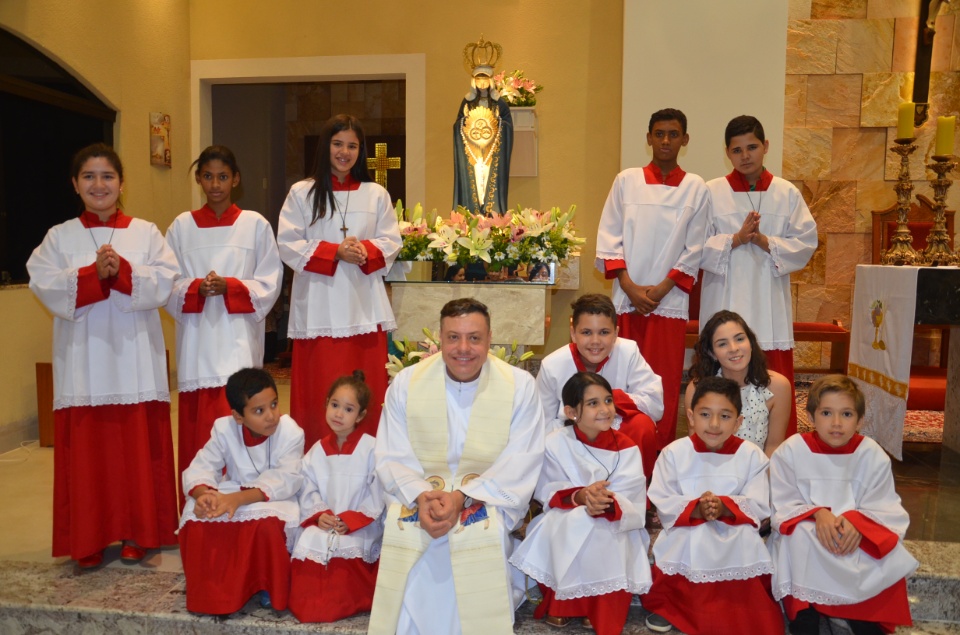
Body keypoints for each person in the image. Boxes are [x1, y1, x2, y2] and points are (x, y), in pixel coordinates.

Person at [27, 143, 179, 569]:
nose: (99, 185)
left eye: (107, 176)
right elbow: (44, 283)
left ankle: (139, 532)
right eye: (89, 177)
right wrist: (94, 274)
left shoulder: (146, 232)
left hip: (133, 356)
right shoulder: (60, 236)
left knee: (134, 448)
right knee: (91, 452)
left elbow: (166, 280)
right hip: (84, 359)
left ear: (122, 183)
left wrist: (124, 272)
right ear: (75, 184)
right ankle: (90, 536)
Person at [369, 298, 545, 635]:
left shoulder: (519, 386)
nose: (463, 348)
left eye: (474, 338)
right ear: (440, 336)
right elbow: (391, 454)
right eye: (453, 337)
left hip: (485, 499)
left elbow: (523, 458)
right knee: (417, 535)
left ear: (490, 338)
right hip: (420, 499)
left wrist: (463, 497)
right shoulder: (407, 383)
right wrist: (422, 497)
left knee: (477, 533)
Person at [166, 146, 282, 503]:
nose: (215, 184)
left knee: (241, 417)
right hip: (198, 344)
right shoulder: (181, 227)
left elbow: (270, 282)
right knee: (201, 430)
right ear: (199, 178)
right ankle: (196, 504)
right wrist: (196, 288)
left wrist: (229, 286)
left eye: (222, 176)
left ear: (236, 179)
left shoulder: (255, 225)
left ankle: (242, 501)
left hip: (237, 342)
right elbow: (166, 283)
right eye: (207, 176)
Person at [278, 114, 402, 448]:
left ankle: (368, 457)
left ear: (360, 151)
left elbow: (391, 241)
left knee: (366, 387)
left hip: (363, 306)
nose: (344, 152)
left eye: (352, 145)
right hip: (319, 308)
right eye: (337, 144)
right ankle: (317, 458)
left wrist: (362, 250)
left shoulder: (375, 193)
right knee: (321, 385)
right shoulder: (302, 193)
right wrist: (334, 252)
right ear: (325, 147)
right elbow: (287, 244)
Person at [595, 108, 710, 452]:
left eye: (673, 134)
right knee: (620, 377)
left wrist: (661, 289)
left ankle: (658, 457)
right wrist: (630, 287)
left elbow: (695, 246)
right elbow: (609, 235)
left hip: (668, 302)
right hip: (627, 300)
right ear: (648, 138)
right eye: (659, 134)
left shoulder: (695, 188)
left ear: (685, 140)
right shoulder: (626, 180)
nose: (665, 141)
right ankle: (615, 448)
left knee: (663, 379)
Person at [768, 375, 918, 635]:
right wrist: (817, 514)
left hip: (855, 537)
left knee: (882, 547)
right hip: (812, 533)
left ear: (860, 420)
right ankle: (806, 616)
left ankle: (863, 617)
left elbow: (885, 507)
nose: (836, 423)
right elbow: (780, 502)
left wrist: (857, 523)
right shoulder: (792, 450)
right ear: (811, 417)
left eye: (846, 414)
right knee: (799, 536)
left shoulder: (870, 454)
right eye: (827, 413)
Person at [701, 115, 817, 439]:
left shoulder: (786, 193)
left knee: (771, 378)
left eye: (752, 147)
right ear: (727, 152)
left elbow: (807, 243)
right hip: (725, 296)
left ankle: (775, 452)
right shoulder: (711, 192)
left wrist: (766, 242)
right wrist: (735, 239)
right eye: (737, 150)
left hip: (768, 306)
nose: (745, 155)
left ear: (765, 147)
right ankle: (716, 444)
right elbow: (694, 245)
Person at [510, 372, 652, 634]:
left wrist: (605, 502)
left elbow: (633, 495)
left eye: (608, 401)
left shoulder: (627, 448)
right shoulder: (555, 443)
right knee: (573, 523)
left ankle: (596, 607)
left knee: (602, 532)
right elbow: (546, 487)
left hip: (613, 517)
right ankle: (564, 604)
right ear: (571, 411)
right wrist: (581, 496)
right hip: (567, 513)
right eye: (593, 403)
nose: (604, 409)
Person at [642, 376, 782, 634]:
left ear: (739, 422)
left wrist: (724, 506)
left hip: (733, 528)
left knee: (739, 538)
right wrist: (697, 508)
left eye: (725, 416)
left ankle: (736, 606)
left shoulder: (751, 455)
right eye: (706, 414)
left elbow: (760, 502)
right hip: (688, 527)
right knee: (690, 537)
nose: (715, 424)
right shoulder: (674, 453)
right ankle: (675, 606)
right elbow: (663, 497)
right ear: (691, 416)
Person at [178, 368, 304, 616]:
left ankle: (267, 584)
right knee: (198, 517)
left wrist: (237, 500)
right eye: (259, 410)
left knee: (266, 525)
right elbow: (201, 466)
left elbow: (286, 479)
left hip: (276, 498)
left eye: (274, 404)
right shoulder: (223, 429)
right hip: (232, 490)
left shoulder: (291, 432)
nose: (271, 416)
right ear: (238, 416)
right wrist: (203, 495)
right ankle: (213, 591)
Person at [536, 294, 663, 486]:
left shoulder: (628, 352)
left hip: (615, 425)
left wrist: (608, 401)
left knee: (642, 426)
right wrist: (582, 422)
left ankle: (631, 493)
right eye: (586, 332)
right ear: (573, 333)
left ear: (616, 333)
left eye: (604, 332)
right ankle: (574, 493)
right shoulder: (553, 365)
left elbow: (654, 403)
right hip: (572, 434)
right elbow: (541, 423)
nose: (595, 341)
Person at [289, 370, 384, 623]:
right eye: (334, 405)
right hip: (327, 521)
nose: (339, 414)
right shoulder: (316, 451)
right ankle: (309, 604)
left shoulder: (372, 448)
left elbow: (379, 490)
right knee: (310, 539)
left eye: (348, 409)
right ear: (326, 404)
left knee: (347, 545)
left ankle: (348, 601)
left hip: (358, 523)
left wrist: (351, 520)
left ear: (361, 415)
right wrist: (319, 515)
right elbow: (307, 488)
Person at [685, 310, 792, 457]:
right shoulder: (697, 388)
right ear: (712, 353)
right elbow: (696, 445)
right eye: (722, 344)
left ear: (751, 342)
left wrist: (759, 478)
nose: (734, 348)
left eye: (740, 339)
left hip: (756, 472)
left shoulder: (778, 387)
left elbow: (774, 446)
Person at [453, 36, 513, 215]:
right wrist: (463, 123)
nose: (482, 83)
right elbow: (457, 125)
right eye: (478, 79)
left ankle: (491, 212)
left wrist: (499, 124)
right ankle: (472, 211)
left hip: (492, 153)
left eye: (485, 79)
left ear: (491, 80)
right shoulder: (468, 101)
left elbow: (508, 124)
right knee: (475, 181)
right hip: (472, 153)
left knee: (488, 180)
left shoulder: (499, 102)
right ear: (474, 81)